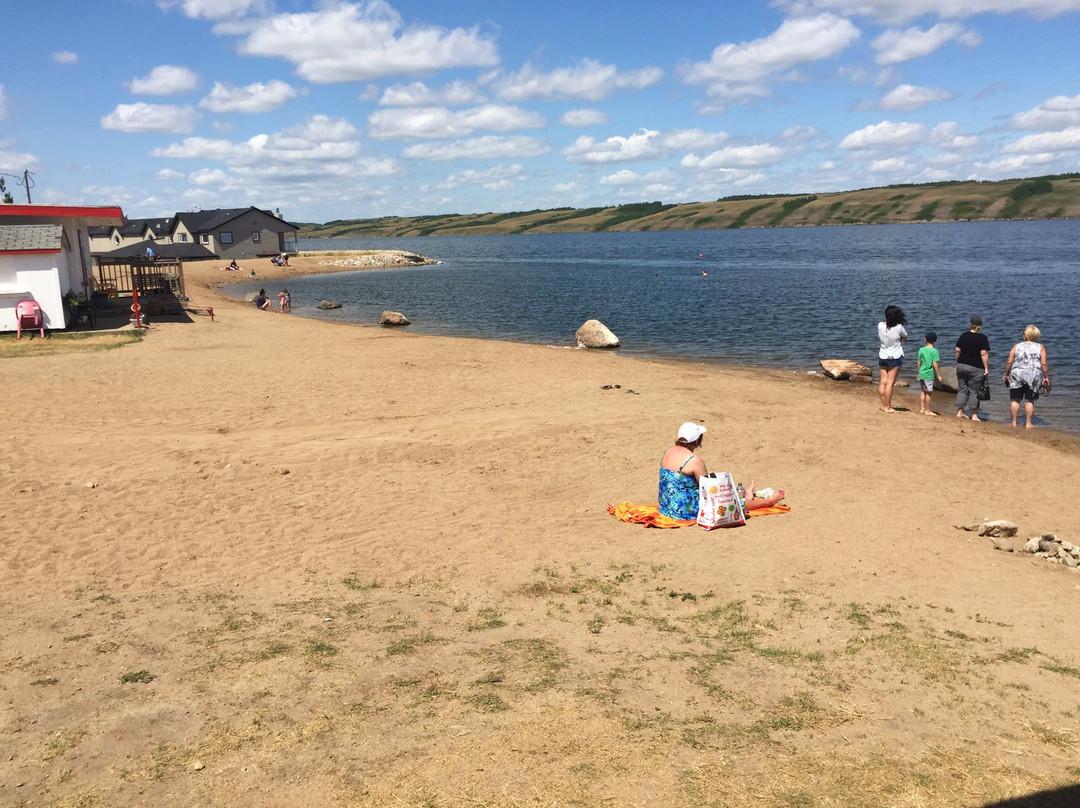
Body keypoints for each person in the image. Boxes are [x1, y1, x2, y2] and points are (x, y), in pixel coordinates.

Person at [657, 422, 785, 520]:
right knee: (729, 502)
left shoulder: (668, 451)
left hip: (667, 504)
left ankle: (746, 495)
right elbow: (708, 490)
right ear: (697, 441)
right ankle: (768, 501)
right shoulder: (694, 460)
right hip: (684, 510)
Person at [1003, 325, 1050, 429]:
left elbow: (1009, 361)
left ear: (1026, 335)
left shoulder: (1017, 346)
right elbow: (1044, 363)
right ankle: (1028, 423)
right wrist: (1046, 376)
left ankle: (1014, 422)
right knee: (1030, 400)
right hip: (1033, 375)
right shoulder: (1040, 347)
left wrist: (1006, 374)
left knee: (1015, 399)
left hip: (1017, 374)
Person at [955, 315, 990, 421]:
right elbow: (984, 354)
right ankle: (974, 414)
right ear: (981, 326)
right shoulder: (982, 338)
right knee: (974, 391)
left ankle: (960, 411)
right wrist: (986, 368)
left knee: (962, 389)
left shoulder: (964, 335)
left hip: (961, 365)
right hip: (976, 368)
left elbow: (957, 350)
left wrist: (957, 362)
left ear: (971, 324)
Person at [877, 305, 907, 413]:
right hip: (895, 356)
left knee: (883, 382)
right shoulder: (899, 327)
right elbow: (905, 338)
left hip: (883, 354)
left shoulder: (880, 325)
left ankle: (883, 405)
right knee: (890, 383)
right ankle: (887, 407)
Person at [917, 332, 943, 416]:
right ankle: (927, 410)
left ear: (925, 339)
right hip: (929, 374)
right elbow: (934, 363)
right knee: (929, 392)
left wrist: (918, 373)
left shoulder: (921, 349)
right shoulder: (934, 351)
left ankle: (922, 408)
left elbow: (918, 363)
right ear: (935, 340)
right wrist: (938, 375)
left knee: (923, 391)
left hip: (922, 373)